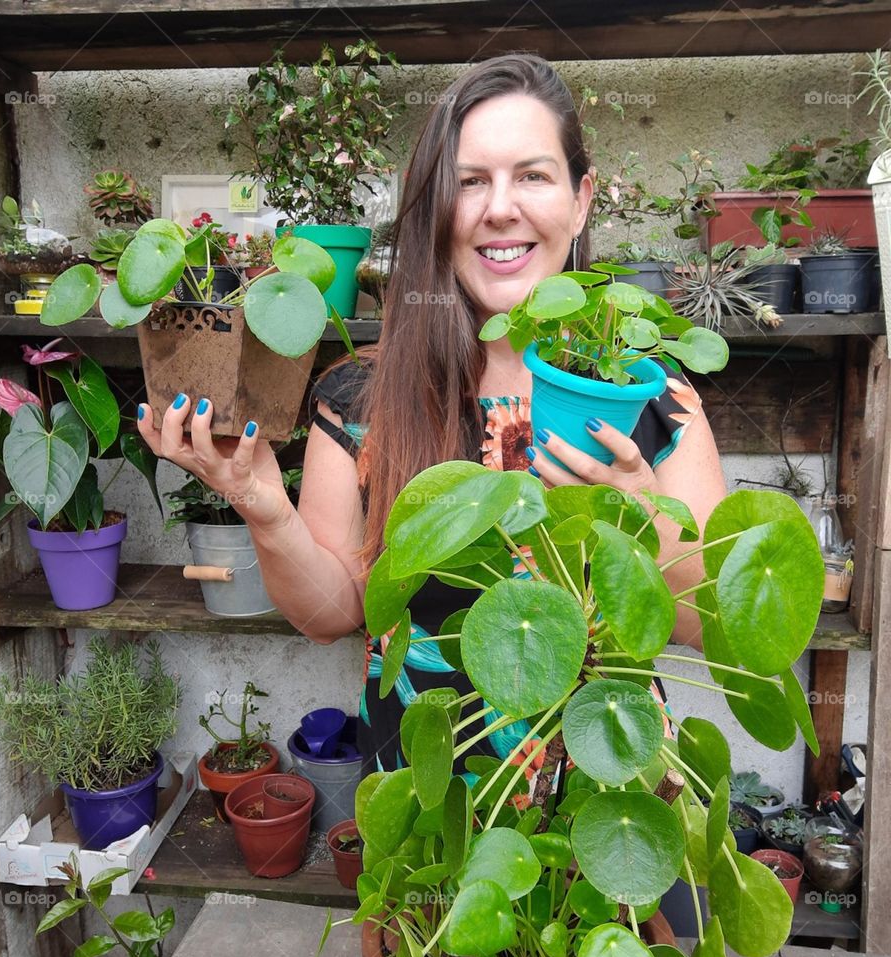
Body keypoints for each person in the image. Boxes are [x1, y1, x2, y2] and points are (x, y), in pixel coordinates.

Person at [137, 53, 726, 778]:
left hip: (610, 799)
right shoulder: (362, 398)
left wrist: (644, 523)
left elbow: (705, 629)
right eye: (469, 181)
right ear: (437, 210)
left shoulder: (649, 397)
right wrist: (262, 506)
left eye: (532, 176)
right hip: (428, 797)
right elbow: (331, 615)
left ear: (581, 200)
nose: (499, 208)